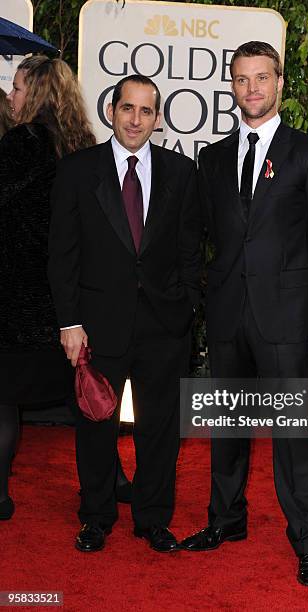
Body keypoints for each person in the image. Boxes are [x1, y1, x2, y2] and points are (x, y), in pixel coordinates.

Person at [180, 42, 308, 587]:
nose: (252, 88)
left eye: (262, 78)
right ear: (232, 86)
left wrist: (292, 289)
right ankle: (225, 521)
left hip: (285, 315)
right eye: (241, 79)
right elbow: (210, 235)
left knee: (294, 433)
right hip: (227, 313)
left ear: (279, 83)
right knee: (228, 425)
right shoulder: (213, 158)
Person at [48, 74, 201, 553]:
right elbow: (62, 254)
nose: (136, 120)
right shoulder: (77, 171)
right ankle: (96, 516)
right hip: (97, 326)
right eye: (127, 109)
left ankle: (152, 517)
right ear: (111, 110)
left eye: (146, 111)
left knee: (160, 429)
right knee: (96, 426)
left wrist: (188, 305)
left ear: (157, 118)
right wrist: (69, 323)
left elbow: (190, 250)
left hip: (164, 325)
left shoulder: (180, 172)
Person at [0, 56, 95, 522]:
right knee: (83, 397)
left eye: (17, 88)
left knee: (1, 397)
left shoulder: (24, 141)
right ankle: (103, 484)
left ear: (35, 94)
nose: (10, 96)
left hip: (17, 296)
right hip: (67, 297)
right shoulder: (80, 145)